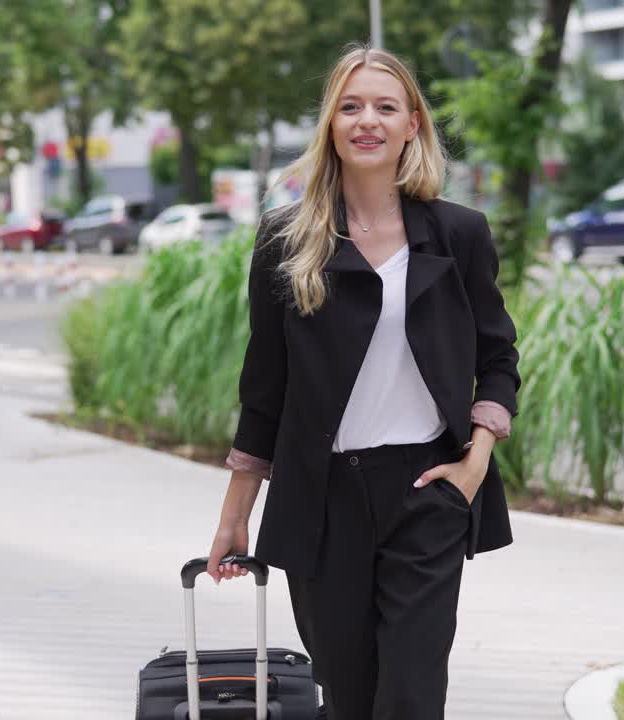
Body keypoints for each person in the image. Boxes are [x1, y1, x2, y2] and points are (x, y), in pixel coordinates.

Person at [205, 43, 520, 720]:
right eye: (350, 107)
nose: (366, 120)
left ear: (413, 124)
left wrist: (475, 460)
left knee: (409, 696)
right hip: (322, 500)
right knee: (348, 698)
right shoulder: (286, 242)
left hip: (426, 494)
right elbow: (265, 388)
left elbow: (498, 355)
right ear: (330, 126)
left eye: (385, 106)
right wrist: (235, 517)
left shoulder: (459, 234)